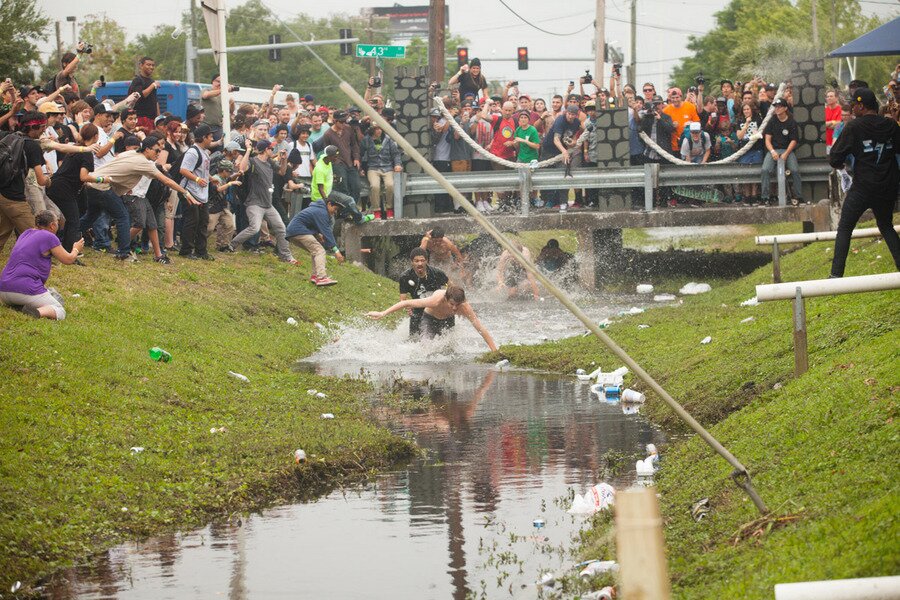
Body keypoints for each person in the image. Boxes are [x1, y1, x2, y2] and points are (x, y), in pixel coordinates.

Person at [83, 135, 201, 261]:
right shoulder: (145, 163)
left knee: (90, 217)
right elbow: (166, 181)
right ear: (147, 149)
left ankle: (67, 238)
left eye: (160, 151)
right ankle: (123, 253)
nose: (158, 153)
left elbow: (117, 163)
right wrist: (185, 193)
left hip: (92, 184)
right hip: (102, 187)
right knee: (122, 217)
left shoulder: (131, 153)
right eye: (156, 150)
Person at [828, 88, 900, 278]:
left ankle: (835, 276)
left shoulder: (854, 126)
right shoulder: (891, 125)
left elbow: (834, 158)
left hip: (863, 187)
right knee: (886, 225)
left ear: (861, 105)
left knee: (845, 228)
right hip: (887, 186)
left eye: (853, 105)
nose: (851, 109)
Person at [0, 210, 81, 320]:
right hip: (24, 288)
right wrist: (76, 249)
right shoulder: (49, 236)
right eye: (57, 223)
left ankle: (19, 305)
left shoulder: (25, 233)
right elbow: (68, 259)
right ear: (52, 225)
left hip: (3, 289)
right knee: (59, 309)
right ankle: (36, 312)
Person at [367, 285, 498, 352]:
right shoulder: (436, 300)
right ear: (446, 299)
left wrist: (494, 351)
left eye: (457, 305)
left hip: (448, 320)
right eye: (452, 304)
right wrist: (383, 313)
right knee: (426, 348)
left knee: (448, 348)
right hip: (429, 319)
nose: (454, 308)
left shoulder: (464, 307)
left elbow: (480, 329)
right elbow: (406, 303)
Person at [228, 139, 296, 263]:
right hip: (254, 203)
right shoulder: (253, 162)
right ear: (265, 150)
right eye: (271, 148)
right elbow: (242, 168)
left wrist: (284, 159)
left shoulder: (270, 162)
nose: (273, 150)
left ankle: (285, 255)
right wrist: (248, 150)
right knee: (254, 228)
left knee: (281, 228)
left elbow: (282, 171)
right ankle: (232, 245)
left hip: (268, 205)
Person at [0, 111, 51, 253]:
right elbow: (41, 180)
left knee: (3, 230)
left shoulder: (9, 136)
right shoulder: (33, 146)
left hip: (2, 192)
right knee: (34, 235)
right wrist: (49, 180)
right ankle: (44, 258)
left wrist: (12, 111)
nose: (44, 131)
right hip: (14, 197)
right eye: (42, 127)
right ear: (34, 128)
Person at [285, 195, 346, 286]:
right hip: (298, 231)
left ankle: (315, 276)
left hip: (293, 232)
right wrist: (336, 251)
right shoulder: (321, 212)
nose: (335, 212)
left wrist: (317, 235)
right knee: (319, 251)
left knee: (316, 251)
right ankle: (321, 277)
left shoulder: (319, 209)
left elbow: (311, 223)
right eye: (335, 209)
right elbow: (327, 232)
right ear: (329, 204)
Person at [178, 123, 214, 260]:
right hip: (190, 190)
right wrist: (197, 179)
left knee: (203, 221)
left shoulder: (204, 152)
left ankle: (201, 250)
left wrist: (210, 178)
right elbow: (184, 170)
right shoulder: (193, 152)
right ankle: (186, 250)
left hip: (202, 193)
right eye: (210, 137)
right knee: (192, 221)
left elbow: (202, 170)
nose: (211, 139)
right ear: (204, 137)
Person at [398, 247, 449, 336]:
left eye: (422, 260)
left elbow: (452, 287)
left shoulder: (437, 273)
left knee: (443, 337)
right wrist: (408, 308)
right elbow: (403, 299)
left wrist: (448, 302)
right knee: (414, 339)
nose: (420, 263)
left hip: (436, 310)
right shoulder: (405, 277)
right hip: (417, 310)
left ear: (427, 261)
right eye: (416, 261)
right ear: (411, 262)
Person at [761, 98, 802, 205]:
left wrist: (786, 153)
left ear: (785, 108)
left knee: (795, 170)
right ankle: (765, 197)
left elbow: (794, 140)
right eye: (776, 106)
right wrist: (772, 151)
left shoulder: (791, 122)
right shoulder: (772, 120)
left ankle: (798, 196)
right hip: (773, 150)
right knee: (765, 170)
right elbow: (767, 139)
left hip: (787, 150)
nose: (777, 109)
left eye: (779, 106)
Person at [360, 123, 402, 219]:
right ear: (372, 130)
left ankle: (389, 208)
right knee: (374, 186)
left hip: (387, 167)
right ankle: (376, 210)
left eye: (380, 128)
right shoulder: (366, 140)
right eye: (376, 129)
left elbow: (396, 154)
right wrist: (360, 168)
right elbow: (360, 154)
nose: (379, 131)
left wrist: (397, 164)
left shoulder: (388, 139)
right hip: (373, 167)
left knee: (390, 185)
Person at [127, 57, 160, 130]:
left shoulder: (152, 81)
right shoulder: (137, 80)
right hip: (141, 119)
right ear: (141, 65)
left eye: (153, 65)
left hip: (152, 120)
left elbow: (155, 101)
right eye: (148, 65)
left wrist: (158, 118)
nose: (151, 67)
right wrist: (153, 85)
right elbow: (141, 95)